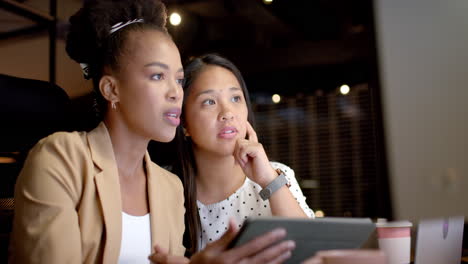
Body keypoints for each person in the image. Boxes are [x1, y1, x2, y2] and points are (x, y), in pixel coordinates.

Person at [10, 1, 295, 263]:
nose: (175, 93)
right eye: (157, 76)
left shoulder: (169, 187)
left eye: (179, 79)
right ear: (112, 89)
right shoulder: (61, 157)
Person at [171, 54, 315, 255]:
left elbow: (311, 251)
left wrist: (269, 181)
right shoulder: (166, 188)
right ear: (184, 122)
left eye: (235, 98)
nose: (228, 112)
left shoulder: (278, 175)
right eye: (209, 102)